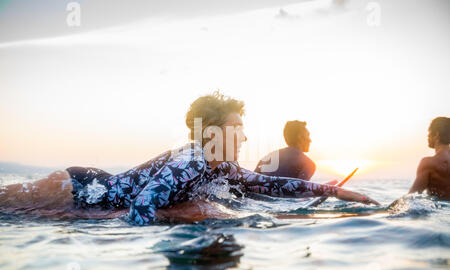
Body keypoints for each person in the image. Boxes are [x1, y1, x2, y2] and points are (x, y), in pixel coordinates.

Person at [0, 92, 379, 224]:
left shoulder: (222, 166)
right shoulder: (195, 160)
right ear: (213, 133)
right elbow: (142, 209)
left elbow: (274, 184)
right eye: (237, 128)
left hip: (93, 189)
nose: (244, 136)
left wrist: (342, 195)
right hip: (77, 189)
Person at [409, 117, 450, 200]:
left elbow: (412, 198)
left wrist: (380, 208)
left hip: (439, 211)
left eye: (429, 132)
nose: (427, 136)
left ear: (437, 134)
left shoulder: (429, 163)